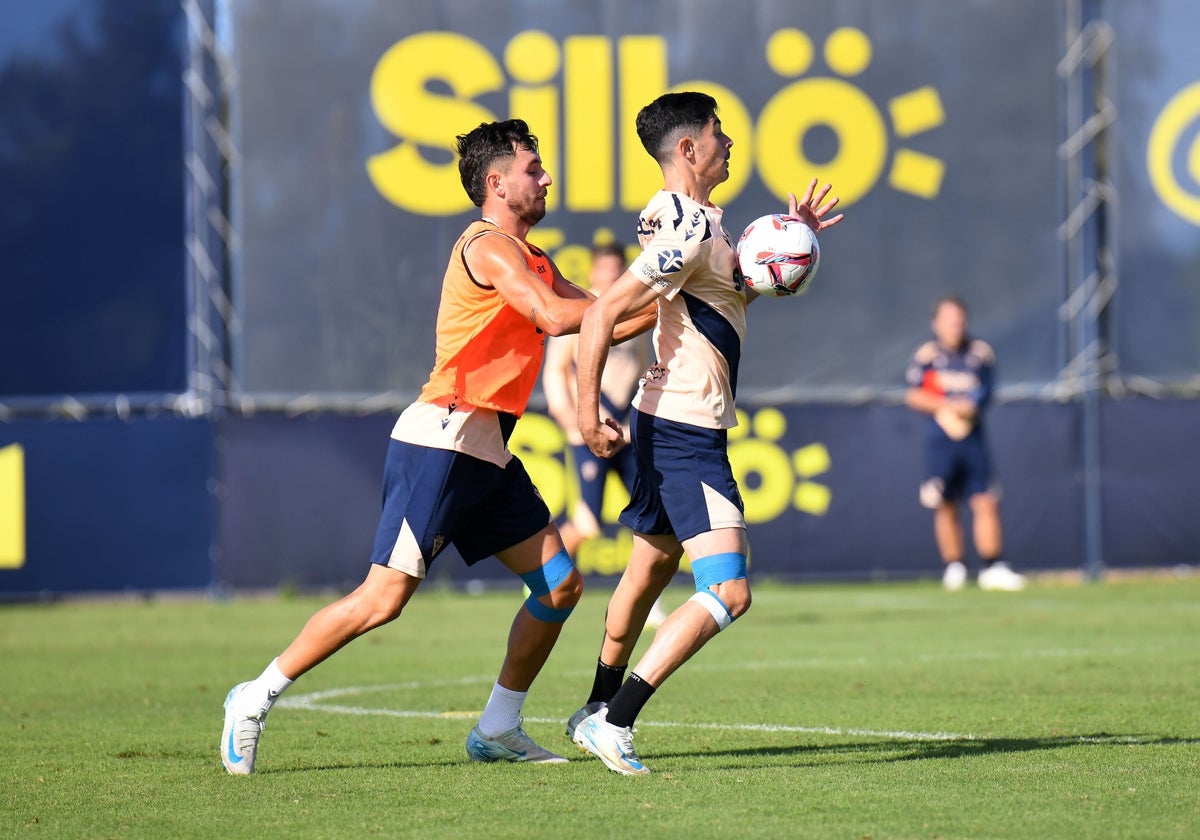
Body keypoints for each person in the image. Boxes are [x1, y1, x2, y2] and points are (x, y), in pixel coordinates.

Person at [219, 118, 655, 775]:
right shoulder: (487, 247)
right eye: (533, 168)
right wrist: (663, 278)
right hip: (443, 441)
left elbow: (601, 321)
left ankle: (497, 728)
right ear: (496, 182)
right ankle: (252, 699)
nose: (545, 178)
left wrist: (691, 296)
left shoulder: (535, 258)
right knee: (382, 600)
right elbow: (561, 318)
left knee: (560, 586)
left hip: (488, 453)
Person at [564, 91, 843, 775]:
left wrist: (786, 248)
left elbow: (709, 303)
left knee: (648, 570)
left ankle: (595, 708)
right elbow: (601, 317)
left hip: (667, 420)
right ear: (687, 149)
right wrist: (582, 410)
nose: (729, 145)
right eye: (719, 134)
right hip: (686, 430)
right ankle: (618, 721)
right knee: (729, 591)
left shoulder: (698, 223)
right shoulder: (686, 225)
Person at [541, 242, 666, 627]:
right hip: (590, 432)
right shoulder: (583, 311)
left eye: (618, 270)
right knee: (588, 523)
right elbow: (555, 372)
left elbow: (644, 371)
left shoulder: (633, 312)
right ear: (595, 272)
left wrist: (640, 420)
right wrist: (573, 420)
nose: (612, 277)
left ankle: (647, 603)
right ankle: (543, 580)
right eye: (606, 271)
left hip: (627, 433)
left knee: (648, 518)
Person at [904, 295, 1026, 592]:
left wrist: (968, 405)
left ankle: (992, 565)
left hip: (973, 440)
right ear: (936, 323)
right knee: (944, 503)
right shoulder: (927, 356)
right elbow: (914, 395)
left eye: (959, 320)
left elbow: (985, 392)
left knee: (985, 499)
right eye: (948, 320)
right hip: (940, 441)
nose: (954, 326)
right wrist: (946, 404)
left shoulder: (979, 354)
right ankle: (954, 566)